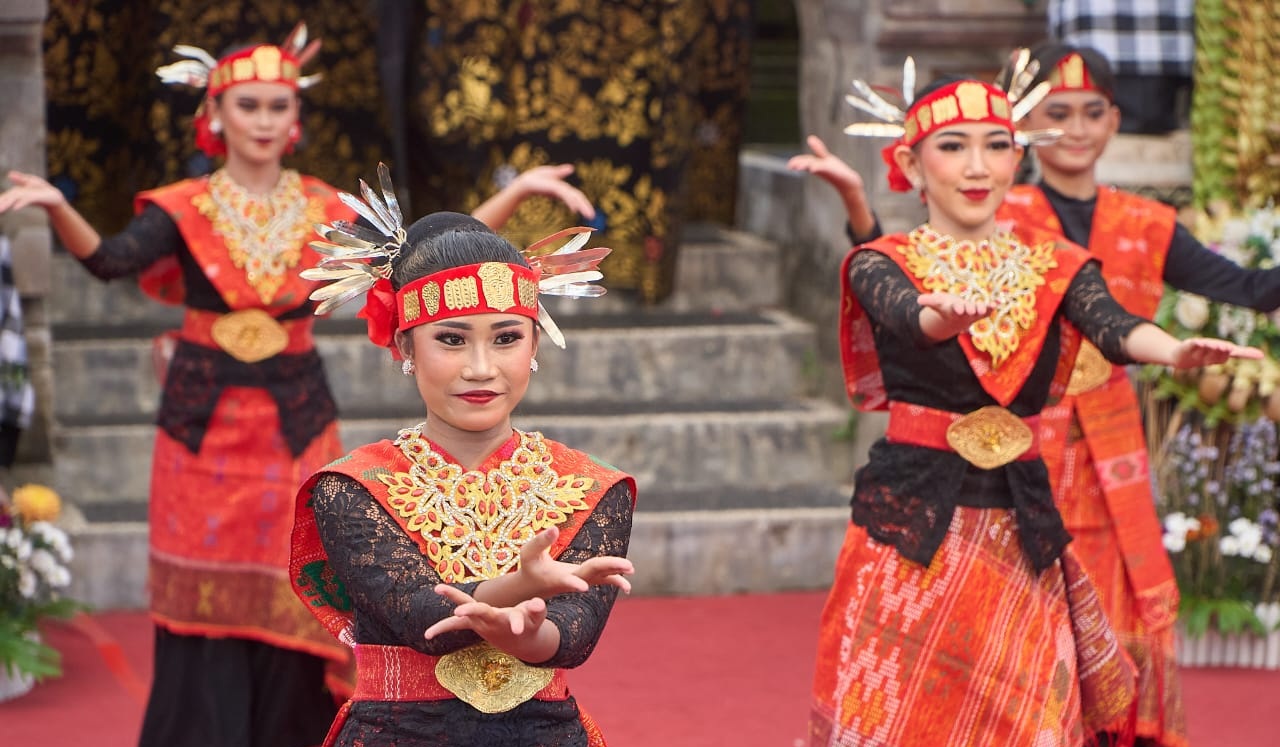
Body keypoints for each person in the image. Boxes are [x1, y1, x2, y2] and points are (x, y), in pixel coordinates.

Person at [0, 25, 596, 747]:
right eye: (248, 104)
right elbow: (110, 260)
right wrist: (55, 205)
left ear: (296, 117)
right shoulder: (182, 205)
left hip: (295, 417)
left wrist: (517, 194)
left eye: (277, 105)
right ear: (215, 115)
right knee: (204, 602)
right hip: (201, 421)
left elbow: (424, 259)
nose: (263, 120)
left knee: (293, 583)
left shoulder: (321, 207)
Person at [806, 69, 1261, 745]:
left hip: (1019, 527)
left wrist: (1173, 350)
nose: (978, 166)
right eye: (954, 147)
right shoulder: (884, 262)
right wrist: (940, 317)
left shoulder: (1056, 265)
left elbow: (1112, 324)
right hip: (910, 535)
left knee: (1030, 721)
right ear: (912, 164)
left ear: (1017, 157)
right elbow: (907, 316)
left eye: (996, 146)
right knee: (898, 723)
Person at [994, 42, 1280, 747]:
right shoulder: (998, 215)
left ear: (1115, 120)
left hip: (1111, 449)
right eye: (1057, 112)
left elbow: (1248, 290)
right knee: (1019, 618)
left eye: (1092, 112)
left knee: (1116, 610)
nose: (1076, 128)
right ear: (1024, 124)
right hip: (1020, 445)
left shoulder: (1146, 223)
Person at [288, 180, 635, 746]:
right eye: (452, 340)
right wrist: (520, 585)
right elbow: (422, 618)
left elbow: (575, 634)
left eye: (506, 338)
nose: (480, 367)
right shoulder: (354, 487)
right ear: (406, 346)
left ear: (534, 345)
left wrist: (529, 639)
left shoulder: (592, 486)